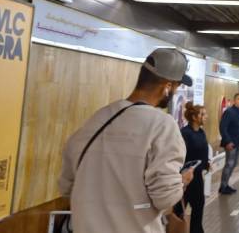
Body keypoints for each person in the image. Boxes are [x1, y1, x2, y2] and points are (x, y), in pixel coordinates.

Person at [59, 48, 195, 233]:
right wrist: (182, 180)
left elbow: (67, 186)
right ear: (167, 86)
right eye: (177, 86)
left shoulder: (99, 118)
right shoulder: (162, 125)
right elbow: (165, 197)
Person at [175, 102, 209, 233]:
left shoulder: (201, 132)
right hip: (186, 179)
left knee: (199, 206)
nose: (206, 117)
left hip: (198, 177)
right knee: (179, 208)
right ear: (195, 117)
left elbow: (203, 151)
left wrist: (207, 163)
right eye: (203, 114)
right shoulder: (185, 133)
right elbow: (180, 156)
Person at [219, 93, 239, 195]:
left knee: (234, 164)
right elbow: (223, 127)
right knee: (229, 164)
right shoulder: (229, 112)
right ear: (235, 101)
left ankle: (226, 184)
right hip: (230, 143)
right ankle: (222, 187)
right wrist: (227, 141)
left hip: (238, 142)